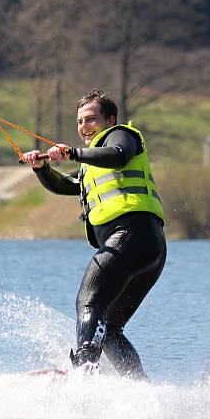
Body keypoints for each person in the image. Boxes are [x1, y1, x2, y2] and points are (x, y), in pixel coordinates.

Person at [21, 89, 167, 379]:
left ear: (110, 119)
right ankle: (139, 389)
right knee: (110, 327)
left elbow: (118, 154)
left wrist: (72, 153)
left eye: (90, 119)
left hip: (131, 235)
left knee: (89, 300)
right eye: (79, 122)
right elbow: (65, 185)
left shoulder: (121, 136)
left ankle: (85, 374)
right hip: (147, 248)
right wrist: (41, 169)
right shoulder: (91, 166)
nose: (84, 127)